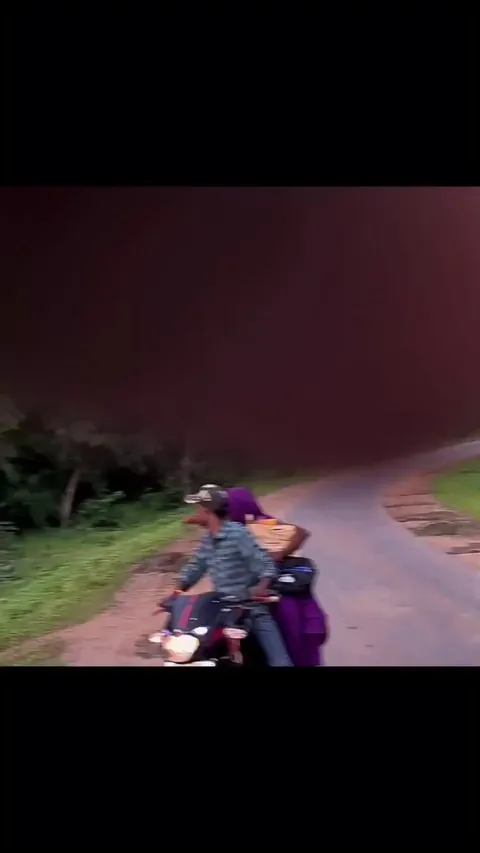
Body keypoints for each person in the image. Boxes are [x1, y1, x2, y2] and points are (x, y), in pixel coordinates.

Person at [165, 484, 293, 666]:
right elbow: (196, 567)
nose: (195, 512)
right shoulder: (208, 539)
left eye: (198, 508)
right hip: (221, 611)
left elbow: (265, 564)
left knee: (280, 663)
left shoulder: (238, 534)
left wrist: (262, 586)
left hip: (250, 609)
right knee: (195, 652)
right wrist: (176, 593)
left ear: (207, 510)